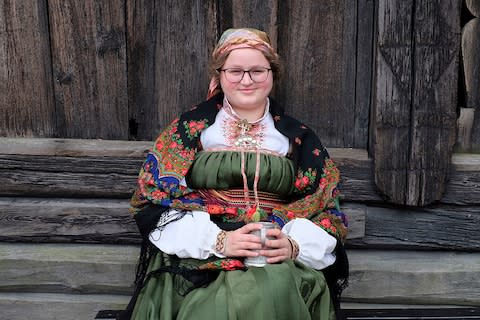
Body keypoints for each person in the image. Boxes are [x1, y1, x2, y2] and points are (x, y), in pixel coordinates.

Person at [120, 28, 349, 320]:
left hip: (271, 250)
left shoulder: (298, 139)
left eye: (257, 70)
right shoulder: (188, 131)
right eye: (236, 70)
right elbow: (152, 199)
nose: (247, 79)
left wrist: (293, 245)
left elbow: (326, 206)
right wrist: (220, 241)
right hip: (199, 253)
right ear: (219, 76)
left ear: (272, 75)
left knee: (274, 287)